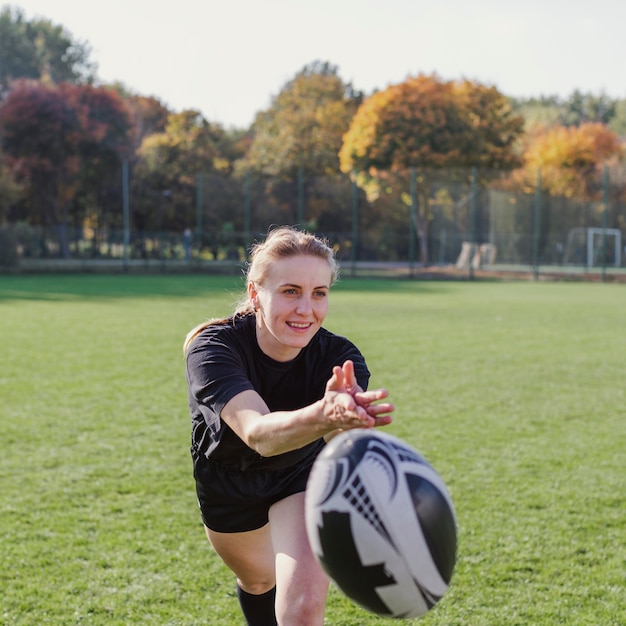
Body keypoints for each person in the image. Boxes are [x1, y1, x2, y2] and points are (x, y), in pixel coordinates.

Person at [183, 226, 395, 626]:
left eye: (319, 293)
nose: (306, 309)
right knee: (259, 580)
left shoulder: (340, 357)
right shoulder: (213, 349)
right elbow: (258, 434)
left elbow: (339, 441)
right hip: (230, 481)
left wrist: (349, 423)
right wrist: (324, 414)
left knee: (303, 611)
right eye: (290, 291)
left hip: (300, 473)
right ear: (254, 294)